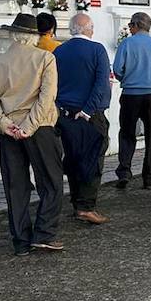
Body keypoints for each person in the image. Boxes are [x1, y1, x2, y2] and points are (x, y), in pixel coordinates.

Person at [0, 13, 63, 253]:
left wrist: (6, 125)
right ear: (34, 36)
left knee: (16, 186)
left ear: (13, 34)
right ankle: (44, 232)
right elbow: (46, 98)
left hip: (9, 132)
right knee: (51, 182)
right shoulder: (45, 59)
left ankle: (20, 241)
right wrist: (28, 126)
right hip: (40, 128)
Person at [53, 12, 112, 226]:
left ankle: (77, 203)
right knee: (93, 159)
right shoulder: (97, 50)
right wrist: (87, 111)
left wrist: (59, 106)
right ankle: (86, 207)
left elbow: (53, 82)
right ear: (89, 28)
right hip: (90, 115)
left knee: (73, 159)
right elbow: (101, 84)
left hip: (65, 115)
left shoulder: (59, 51)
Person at [112, 11, 151, 190]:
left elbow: (117, 68)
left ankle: (124, 172)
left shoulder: (127, 43)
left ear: (135, 25)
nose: (129, 29)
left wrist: (126, 78)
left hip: (131, 94)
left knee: (127, 133)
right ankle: (149, 176)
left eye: (130, 25)